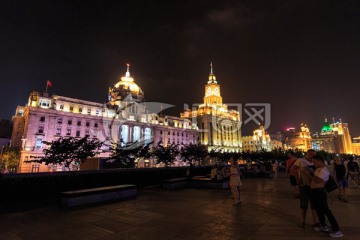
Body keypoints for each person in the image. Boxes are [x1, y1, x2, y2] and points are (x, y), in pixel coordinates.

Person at [305, 155, 344, 238]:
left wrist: (308, 174)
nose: (313, 163)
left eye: (315, 161)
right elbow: (314, 178)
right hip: (315, 192)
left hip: (320, 192)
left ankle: (336, 230)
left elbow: (318, 180)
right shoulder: (318, 170)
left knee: (326, 211)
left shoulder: (323, 170)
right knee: (319, 210)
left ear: (320, 161)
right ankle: (324, 226)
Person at [293, 149, 319, 228]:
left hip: (314, 186)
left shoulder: (316, 162)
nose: (312, 156)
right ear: (307, 154)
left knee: (314, 205)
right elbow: (294, 169)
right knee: (304, 204)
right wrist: (298, 179)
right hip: (304, 185)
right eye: (311, 154)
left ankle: (316, 222)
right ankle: (303, 221)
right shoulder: (300, 160)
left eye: (314, 155)